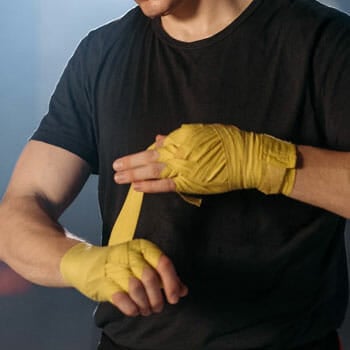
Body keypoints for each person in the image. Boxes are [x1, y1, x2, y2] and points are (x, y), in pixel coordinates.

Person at [0, 0, 349, 349]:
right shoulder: (103, 53)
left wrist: (261, 161)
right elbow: (21, 206)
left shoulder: (324, 42)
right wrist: (80, 262)